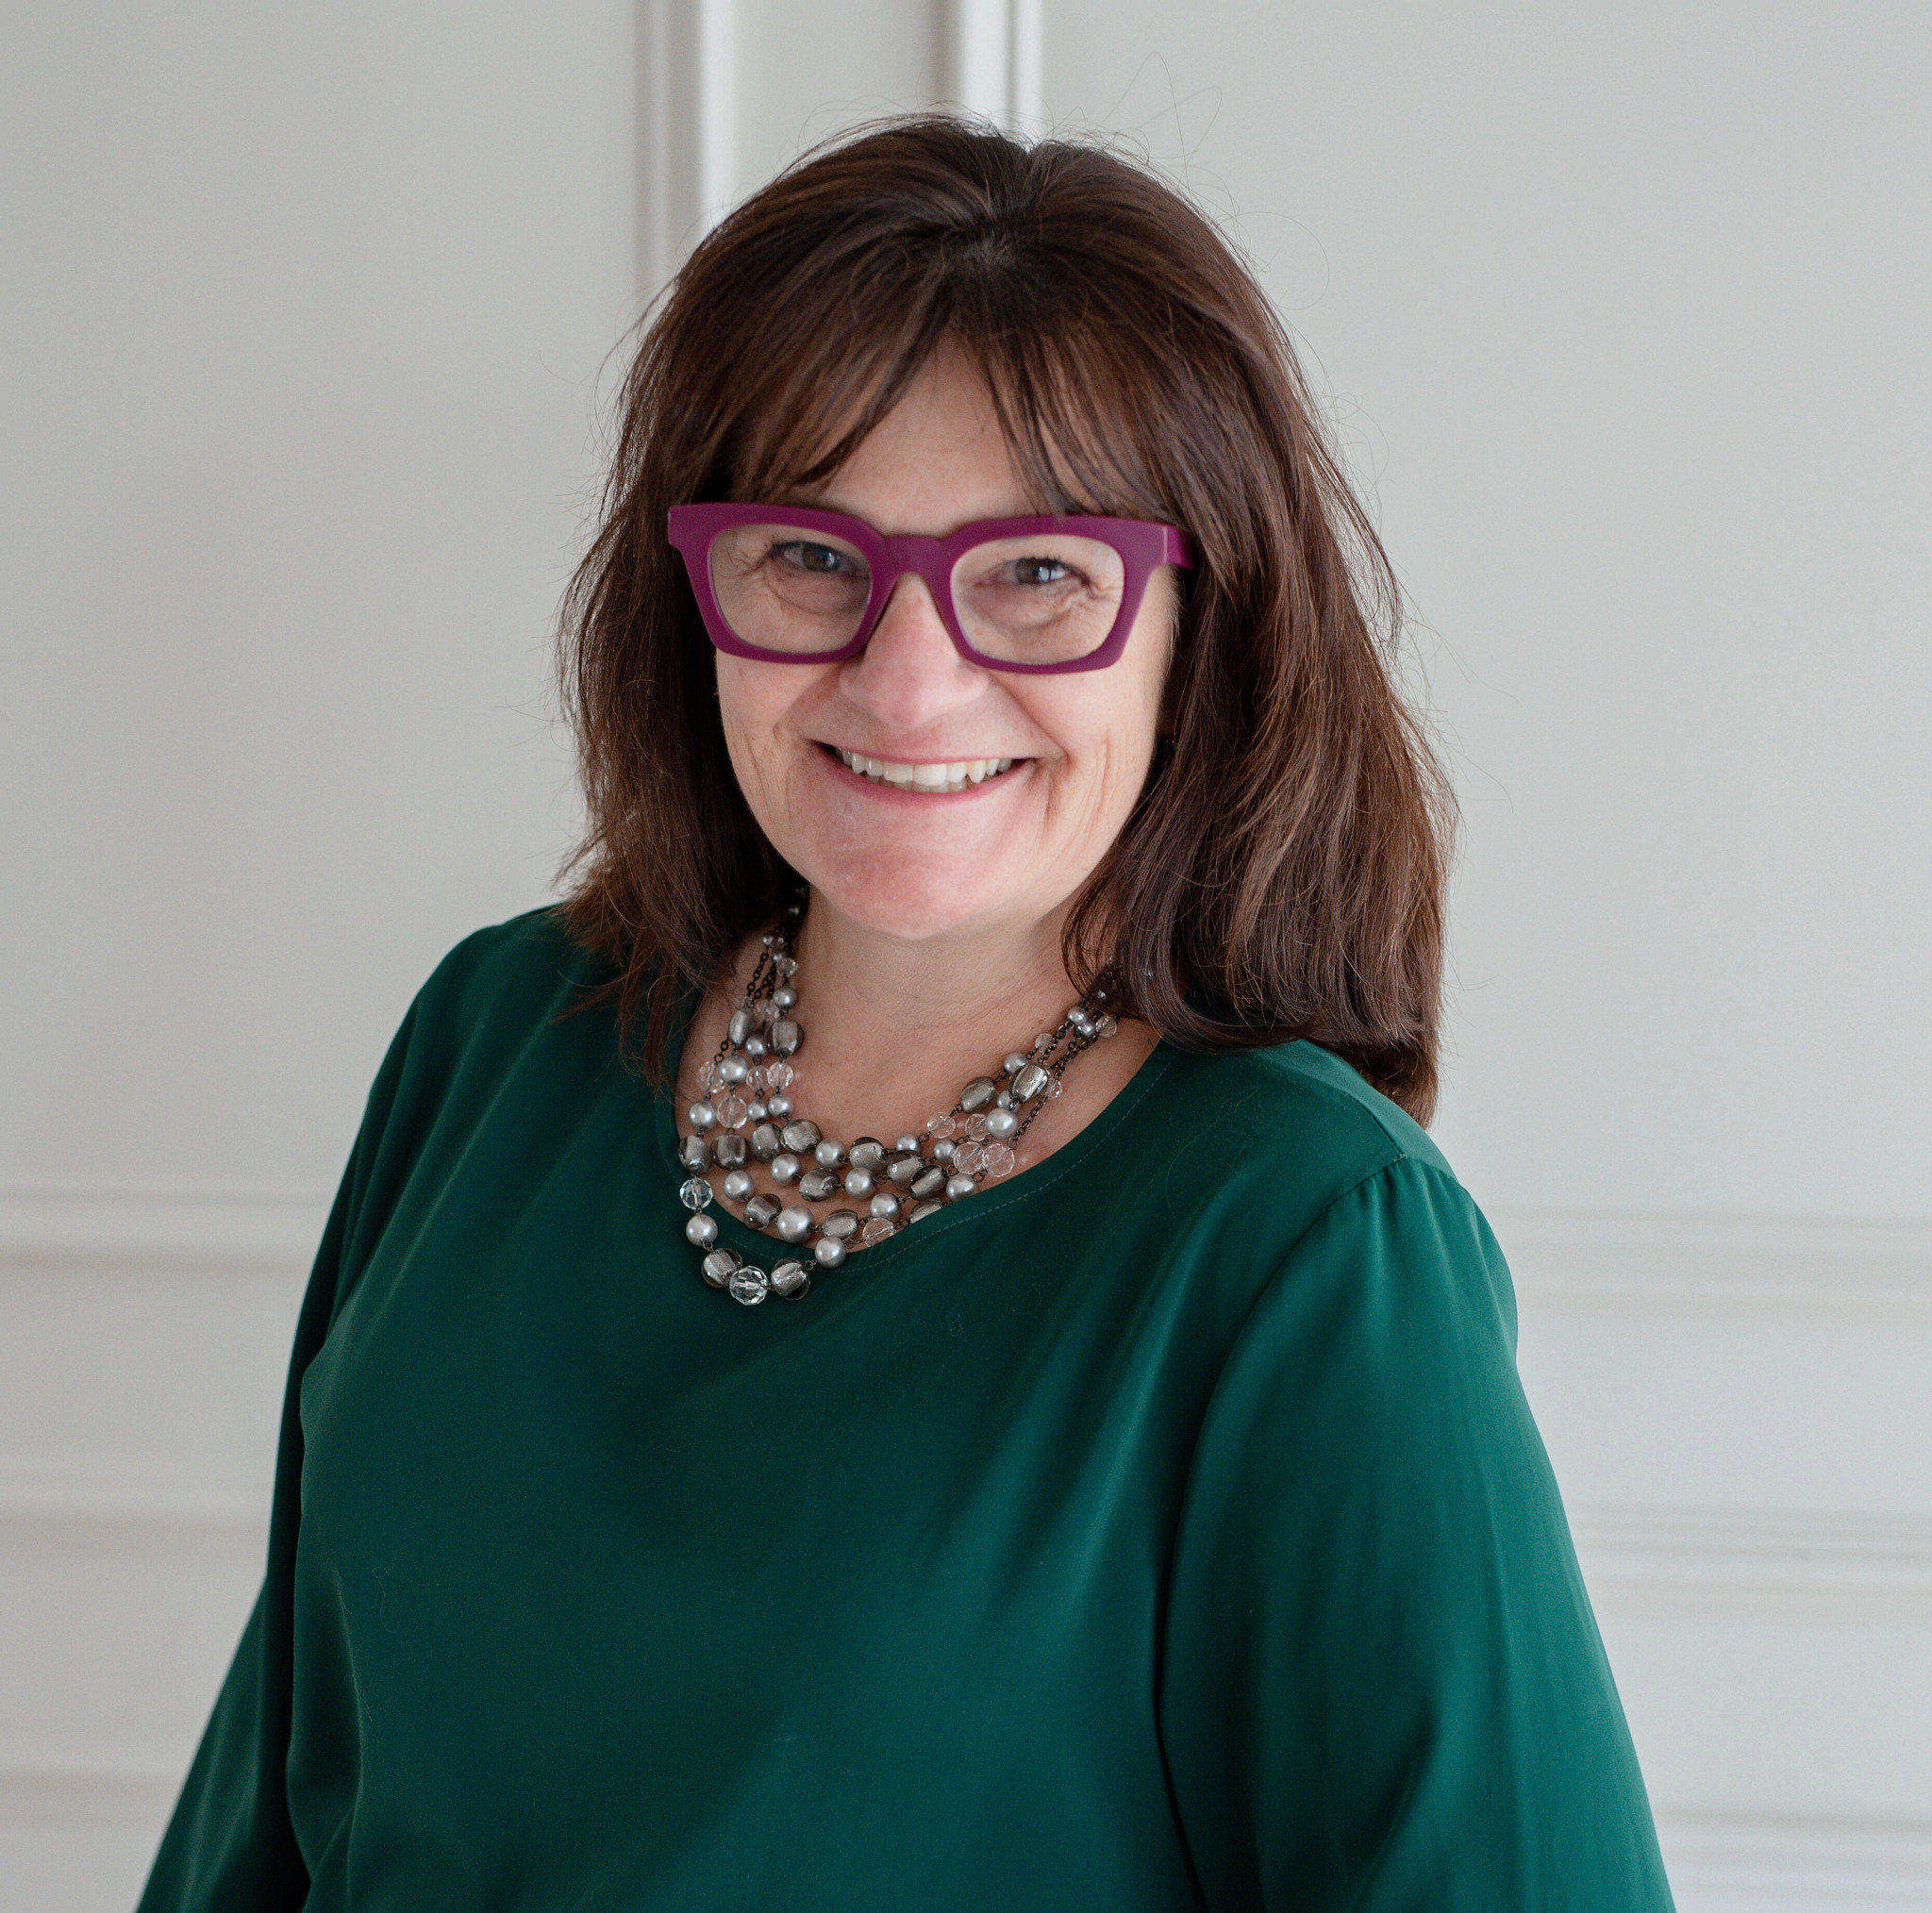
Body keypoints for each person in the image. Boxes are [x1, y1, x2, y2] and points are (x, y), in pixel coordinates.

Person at [138, 117, 1674, 1911]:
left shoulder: (1307, 1246)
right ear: (694, 592)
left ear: (1200, 628)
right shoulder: (499, 1041)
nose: (910, 681)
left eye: (1039, 574)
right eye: (811, 555)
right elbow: (267, 1805)